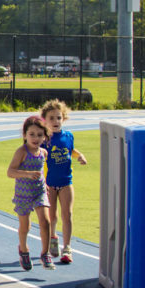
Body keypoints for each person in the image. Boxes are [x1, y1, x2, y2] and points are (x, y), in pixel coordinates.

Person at [40, 100, 87, 264]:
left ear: (64, 119)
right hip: (50, 183)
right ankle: (53, 239)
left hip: (66, 181)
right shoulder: (44, 139)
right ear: (44, 120)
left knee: (67, 214)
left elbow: (71, 150)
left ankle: (67, 247)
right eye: (51, 118)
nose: (55, 121)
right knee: (52, 216)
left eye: (58, 118)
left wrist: (80, 156)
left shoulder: (68, 136)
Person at [8, 116, 56, 271]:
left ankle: (45, 252)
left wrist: (45, 183)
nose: (36, 138)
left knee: (45, 221)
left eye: (40, 135)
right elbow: (10, 172)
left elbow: (42, 171)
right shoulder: (21, 152)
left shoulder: (43, 152)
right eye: (32, 134)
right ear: (25, 135)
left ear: (45, 136)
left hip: (39, 191)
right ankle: (24, 250)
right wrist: (28, 174)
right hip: (23, 194)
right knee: (25, 226)